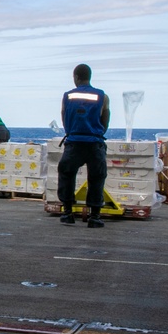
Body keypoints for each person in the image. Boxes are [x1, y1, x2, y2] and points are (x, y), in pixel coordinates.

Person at [58, 64, 110, 228]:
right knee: (97, 177)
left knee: (66, 173)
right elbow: (105, 118)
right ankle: (95, 216)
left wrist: (72, 131)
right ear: (90, 76)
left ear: (76, 77)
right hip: (95, 142)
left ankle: (67, 212)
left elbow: (64, 116)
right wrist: (97, 132)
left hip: (74, 142)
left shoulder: (67, 96)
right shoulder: (102, 96)